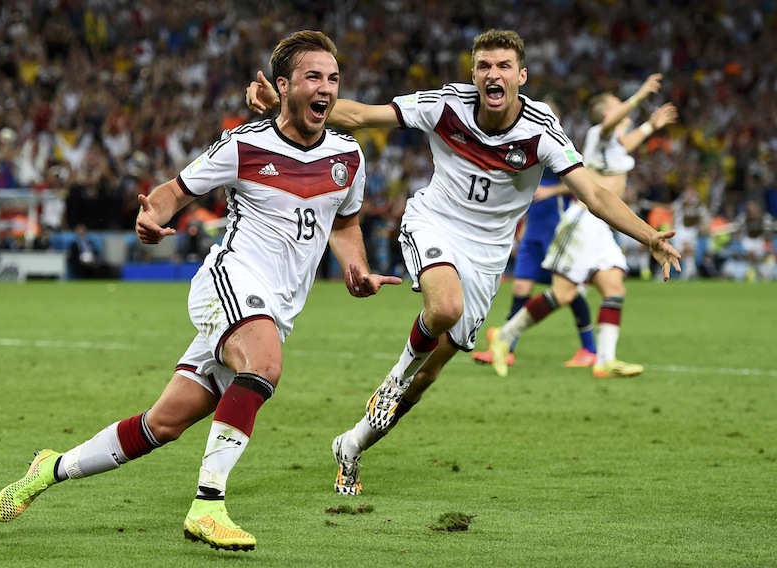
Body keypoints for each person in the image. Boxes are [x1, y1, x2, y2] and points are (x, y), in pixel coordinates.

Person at [0, 30, 400, 552]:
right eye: (313, 77)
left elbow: (345, 225)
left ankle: (50, 468)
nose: (326, 88)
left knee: (160, 425)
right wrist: (150, 216)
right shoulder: (245, 145)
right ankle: (208, 506)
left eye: (333, 79)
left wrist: (357, 268)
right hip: (228, 285)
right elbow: (174, 191)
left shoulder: (348, 157)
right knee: (265, 365)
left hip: (277, 308)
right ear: (283, 86)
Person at [247, 29, 681, 496]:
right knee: (444, 308)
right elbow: (360, 115)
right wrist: (285, 106)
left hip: (488, 257)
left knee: (428, 375)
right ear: (474, 73)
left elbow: (594, 192)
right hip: (434, 223)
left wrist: (648, 235)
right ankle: (391, 381)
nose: (493, 74)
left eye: (503, 67)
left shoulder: (541, 131)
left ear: (522, 75)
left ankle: (352, 445)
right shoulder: (446, 105)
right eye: (484, 66)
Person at [487, 73, 679, 379]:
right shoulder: (597, 134)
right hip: (583, 221)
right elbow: (610, 127)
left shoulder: (613, 146)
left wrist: (650, 126)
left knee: (614, 286)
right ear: (609, 113)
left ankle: (605, 359)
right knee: (563, 293)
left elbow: (626, 143)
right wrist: (640, 95)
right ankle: (504, 336)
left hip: (602, 227)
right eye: (618, 107)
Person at [471, 99, 597, 369]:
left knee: (569, 291)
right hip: (533, 229)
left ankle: (590, 348)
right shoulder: (525, 145)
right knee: (520, 287)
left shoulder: (560, 145)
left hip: (558, 228)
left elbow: (585, 184)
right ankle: (507, 347)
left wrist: (552, 191)